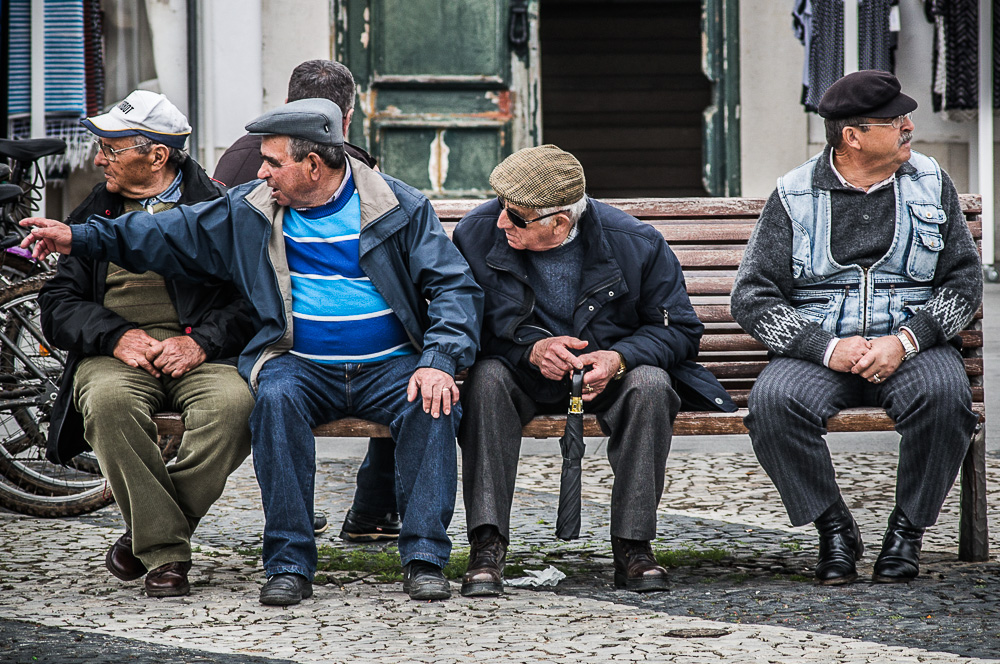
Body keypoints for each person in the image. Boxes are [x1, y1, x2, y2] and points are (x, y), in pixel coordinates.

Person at [23, 98, 483, 606]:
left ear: (313, 165)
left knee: (433, 401)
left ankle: (424, 559)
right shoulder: (251, 206)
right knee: (274, 398)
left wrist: (439, 359)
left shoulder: (398, 206)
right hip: (298, 362)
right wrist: (79, 236)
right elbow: (168, 230)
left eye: (273, 162)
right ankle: (288, 564)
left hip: (391, 365)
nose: (261, 171)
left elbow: (454, 289)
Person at [730, 70, 982, 585]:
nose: (909, 126)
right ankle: (834, 528)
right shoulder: (794, 194)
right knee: (774, 405)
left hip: (910, 343)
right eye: (895, 121)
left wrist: (906, 340)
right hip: (822, 348)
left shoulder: (932, 182)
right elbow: (752, 297)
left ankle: (906, 532)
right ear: (853, 135)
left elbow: (964, 282)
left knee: (945, 397)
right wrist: (826, 349)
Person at [451, 145, 736, 597]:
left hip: (607, 377)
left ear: (560, 221)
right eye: (502, 208)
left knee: (651, 385)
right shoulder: (477, 233)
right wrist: (531, 350)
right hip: (521, 374)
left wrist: (618, 358)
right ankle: (487, 545)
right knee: (484, 380)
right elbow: (463, 326)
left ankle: (633, 546)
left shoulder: (637, 243)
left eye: (517, 216)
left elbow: (681, 330)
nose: (503, 221)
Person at [38, 90, 254, 598]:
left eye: (111, 149)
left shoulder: (218, 208)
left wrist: (202, 341)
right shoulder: (96, 207)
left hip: (199, 352)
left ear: (156, 155)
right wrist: (114, 334)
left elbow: (254, 300)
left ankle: (144, 537)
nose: (98, 159)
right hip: (117, 354)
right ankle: (166, 555)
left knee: (237, 406)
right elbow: (57, 303)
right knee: (109, 403)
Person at [214, 59, 397, 545]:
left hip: (244, 320)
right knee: (282, 388)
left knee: (408, 378)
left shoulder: (236, 154)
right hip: (259, 329)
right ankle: (372, 508)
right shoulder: (331, 161)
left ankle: (354, 513)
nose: (266, 171)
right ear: (348, 120)